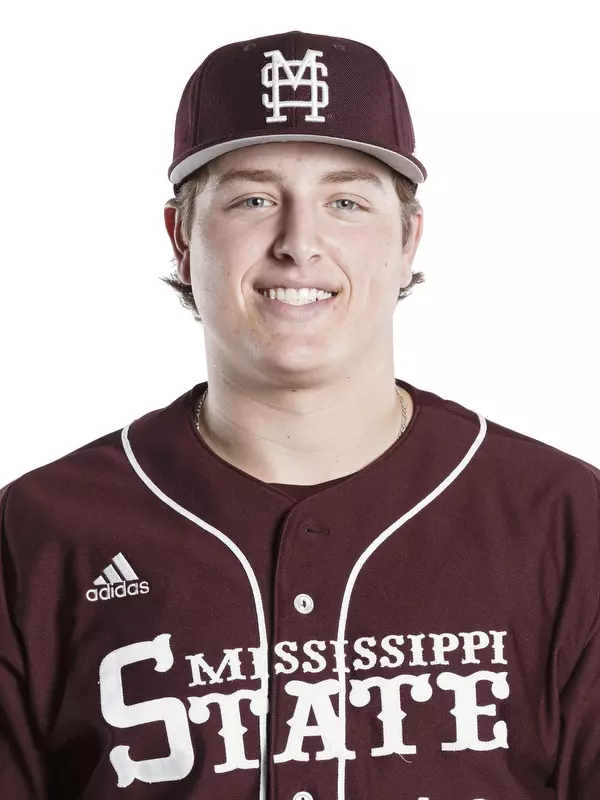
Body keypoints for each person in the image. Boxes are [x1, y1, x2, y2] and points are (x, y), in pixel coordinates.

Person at [1, 29, 599, 800]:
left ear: (409, 237)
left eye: (345, 201)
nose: (299, 243)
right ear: (182, 237)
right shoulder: (42, 531)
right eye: (253, 199)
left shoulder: (566, 524)